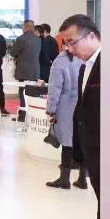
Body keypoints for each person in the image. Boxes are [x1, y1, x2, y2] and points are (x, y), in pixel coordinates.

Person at [59, 14, 101, 219]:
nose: (69, 49)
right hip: (93, 157)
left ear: (92, 36)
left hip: (108, 158)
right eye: (66, 43)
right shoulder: (85, 66)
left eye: (72, 42)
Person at [45, 40, 85, 190]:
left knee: (67, 142)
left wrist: (51, 109)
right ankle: (82, 179)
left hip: (66, 105)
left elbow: (54, 88)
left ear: (63, 45)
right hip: (82, 102)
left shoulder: (60, 62)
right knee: (81, 141)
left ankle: (64, 179)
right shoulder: (82, 58)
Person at [11, 19, 41, 121]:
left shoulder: (21, 39)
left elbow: (13, 52)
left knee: (23, 94)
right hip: (35, 71)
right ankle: (32, 116)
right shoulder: (38, 39)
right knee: (32, 94)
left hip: (23, 71)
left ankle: (23, 116)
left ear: (25, 27)